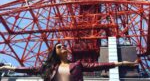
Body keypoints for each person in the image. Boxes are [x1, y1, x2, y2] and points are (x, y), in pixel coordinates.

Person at [0, 43, 138, 81]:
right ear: (55, 52)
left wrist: (122, 63)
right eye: (59, 47)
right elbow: (30, 70)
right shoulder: (49, 67)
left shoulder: (77, 64)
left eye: (64, 45)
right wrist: (10, 68)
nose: (63, 47)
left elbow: (98, 65)